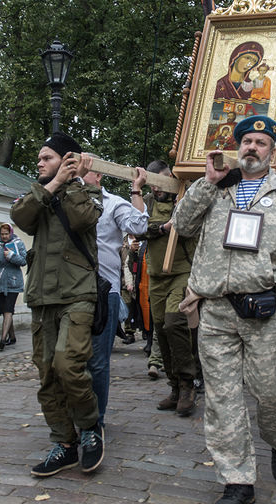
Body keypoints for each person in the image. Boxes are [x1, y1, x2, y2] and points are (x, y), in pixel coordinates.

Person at [171, 115, 276, 504]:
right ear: (236, 146)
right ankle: (237, 481)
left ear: (272, 151)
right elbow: (182, 224)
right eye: (247, 141)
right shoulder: (213, 186)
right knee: (223, 398)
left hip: (263, 310)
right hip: (216, 311)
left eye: (261, 143)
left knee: (274, 394)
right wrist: (206, 184)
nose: (252, 148)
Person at [10, 132, 105, 477]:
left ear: (67, 160)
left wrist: (72, 180)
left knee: (68, 366)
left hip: (78, 294)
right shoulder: (38, 194)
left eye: (47, 157)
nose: (39, 162)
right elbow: (20, 217)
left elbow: (82, 220)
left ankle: (91, 427)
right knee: (47, 374)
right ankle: (64, 444)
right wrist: (51, 185)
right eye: (39, 158)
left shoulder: (86, 191)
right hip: (41, 297)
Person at [82, 162, 150, 427]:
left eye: (83, 168)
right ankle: (74, 415)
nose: (75, 173)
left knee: (98, 361)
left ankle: (94, 421)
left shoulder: (112, 204)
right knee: (68, 360)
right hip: (70, 292)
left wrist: (136, 190)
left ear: (98, 174)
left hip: (103, 292)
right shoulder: (62, 200)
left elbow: (139, 225)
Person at [143, 160, 200, 416]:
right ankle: (174, 386)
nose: (157, 189)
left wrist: (183, 212)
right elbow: (139, 227)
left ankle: (188, 384)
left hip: (181, 271)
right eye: (152, 184)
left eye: (161, 181)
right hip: (156, 274)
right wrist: (161, 227)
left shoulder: (185, 198)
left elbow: (194, 228)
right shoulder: (146, 201)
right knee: (160, 329)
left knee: (173, 323)